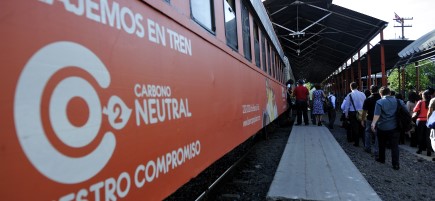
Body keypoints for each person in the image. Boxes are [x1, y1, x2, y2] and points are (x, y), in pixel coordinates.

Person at [371, 86, 405, 170]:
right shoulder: (399, 101)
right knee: (395, 146)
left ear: (380, 94)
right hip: (395, 127)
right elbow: (406, 111)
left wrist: (373, 124)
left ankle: (382, 159)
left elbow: (377, 115)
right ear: (390, 93)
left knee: (381, 144)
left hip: (382, 127)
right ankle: (395, 164)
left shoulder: (379, 102)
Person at [343, 82, 366, 146]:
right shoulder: (362, 94)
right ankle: (365, 143)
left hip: (353, 112)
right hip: (361, 112)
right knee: (362, 127)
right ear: (357, 87)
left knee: (355, 128)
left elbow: (347, 106)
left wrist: (346, 114)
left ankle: (356, 142)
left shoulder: (349, 95)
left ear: (350, 87)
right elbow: (365, 103)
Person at [361, 85, 381, 157]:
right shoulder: (381, 98)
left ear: (370, 90)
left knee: (368, 133)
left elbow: (364, 111)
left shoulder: (367, 99)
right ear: (377, 90)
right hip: (379, 119)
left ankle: (367, 147)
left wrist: (362, 120)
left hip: (369, 119)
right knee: (377, 135)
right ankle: (377, 151)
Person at [413, 90, 432, 156]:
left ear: (423, 96)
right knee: (428, 136)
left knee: (420, 136)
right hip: (428, 121)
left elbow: (414, 110)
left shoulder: (420, 102)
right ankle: (429, 151)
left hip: (420, 120)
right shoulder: (431, 102)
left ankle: (420, 150)